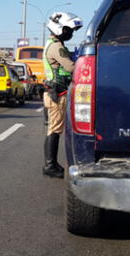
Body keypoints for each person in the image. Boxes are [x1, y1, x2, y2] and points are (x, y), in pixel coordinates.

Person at [42, 12, 83, 178]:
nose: (70, 33)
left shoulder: (54, 43)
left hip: (57, 92)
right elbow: (72, 67)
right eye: (68, 30)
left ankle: (51, 164)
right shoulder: (56, 46)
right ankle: (50, 165)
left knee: (55, 128)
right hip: (57, 93)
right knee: (55, 129)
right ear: (59, 28)